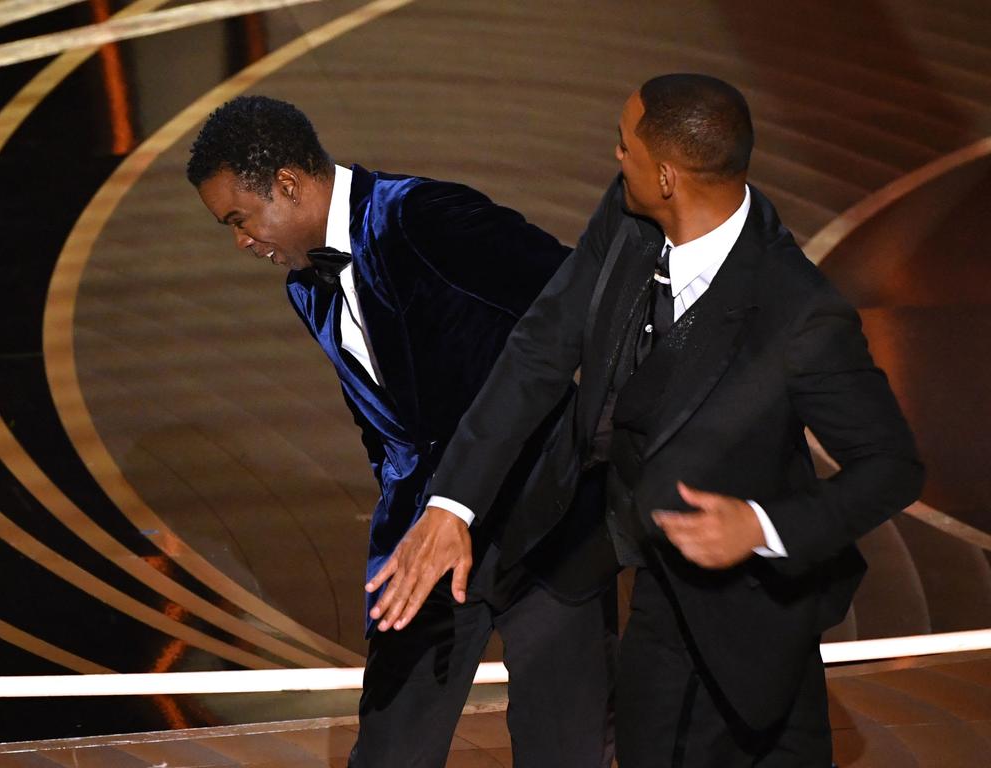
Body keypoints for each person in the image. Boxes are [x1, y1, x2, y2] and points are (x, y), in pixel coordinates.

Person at [369, 74, 924, 766]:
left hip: (750, 607)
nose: (613, 154)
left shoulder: (799, 315)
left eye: (623, 145)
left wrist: (761, 526)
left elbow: (892, 466)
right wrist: (452, 505)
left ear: (666, 177)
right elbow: (540, 350)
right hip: (646, 568)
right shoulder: (630, 216)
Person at [186, 95, 616, 768]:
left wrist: (593, 442)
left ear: (289, 186)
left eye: (239, 219)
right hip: (422, 541)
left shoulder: (423, 218)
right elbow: (379, 422)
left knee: (565, 748)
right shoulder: (307, 288)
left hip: (545, 521)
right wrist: (404, 501)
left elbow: (576, 297)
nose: (241, 240)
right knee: (391, 750)